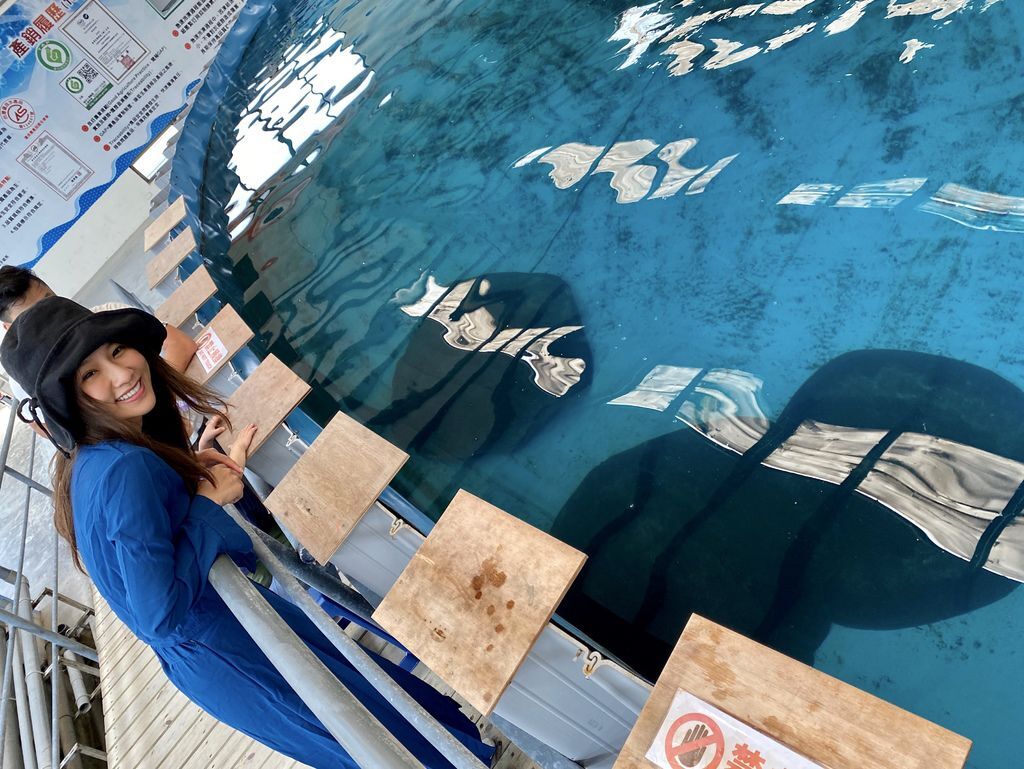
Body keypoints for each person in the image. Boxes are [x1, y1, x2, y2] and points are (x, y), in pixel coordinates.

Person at [0, 297, 494, 769]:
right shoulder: (124, 468)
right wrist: (209, 503)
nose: (122, 373)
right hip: (227, 648)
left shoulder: (90, 459)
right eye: (90, 374)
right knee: (381, 740)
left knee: (377, 724)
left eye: (117, 350)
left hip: (222, 635)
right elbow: (157, 614)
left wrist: (190, 472)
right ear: (68, 400)